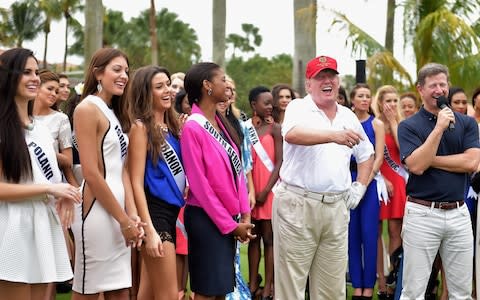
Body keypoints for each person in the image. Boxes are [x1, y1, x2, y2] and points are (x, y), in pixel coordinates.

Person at [272, 55, 374, 299]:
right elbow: (292, 134)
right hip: (298, 204)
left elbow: (366, 155)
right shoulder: (298, 107)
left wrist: (359, 186)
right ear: (309, 84)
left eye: (331, 76)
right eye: (320, 77)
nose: (327, 81)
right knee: (291, 287)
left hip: (337, 208)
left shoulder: (348, 115)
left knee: (332, 289)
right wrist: (333, 135)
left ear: (338, 82)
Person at [0, 47, 81, 300]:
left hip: (42, 222)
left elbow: (51, 180)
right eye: (26, 72)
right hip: (11, 226)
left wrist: (63, 193)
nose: (35, 78)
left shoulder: (42, 130)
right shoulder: (3, 128)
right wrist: (49, 189)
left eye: (36, 72)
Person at [398, 63, 480, 299]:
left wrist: (428, 159)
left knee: (461, 293)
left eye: (443, 84)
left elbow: (471, 163)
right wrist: (439, 128)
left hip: (459, 213)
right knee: (413, 291)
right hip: (422, 214)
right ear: (420, 89)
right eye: (433, 85)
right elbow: (415, 167)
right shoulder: (409, 126)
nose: (439, 89)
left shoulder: (466, 123)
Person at [71, 48, 144, 300]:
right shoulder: (87, 109)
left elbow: (122, 170)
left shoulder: (113, 111)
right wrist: (123, 220)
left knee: (120, 290)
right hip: (97, 214)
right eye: (116, 70)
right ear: (98, 73)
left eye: (126, 70)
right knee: (89, 290)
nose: (124, 75)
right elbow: (91, 173)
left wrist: (131, 215)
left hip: (119, 212)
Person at [180, 62, 255, 300]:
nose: (227, 84)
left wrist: (244, 214)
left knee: (222, 290)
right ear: (207, 86)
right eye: (222, 79)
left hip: (228, 219)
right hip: (205, 218)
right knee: (206, 292)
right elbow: (199, 185)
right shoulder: (193, 127)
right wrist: (231, 225)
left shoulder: (221, 122)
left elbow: (238, 170)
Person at [128, 65, 185, 300]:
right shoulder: (140, 128)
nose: (167, 91)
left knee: (148, 293)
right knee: (169, 295)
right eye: (159, 87)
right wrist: (148, 228)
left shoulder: (173, 128)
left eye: (168, 85)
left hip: (172, 213)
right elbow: (135, 182)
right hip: (154, 214)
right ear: (145, 93)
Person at [349, 83, 385, 299]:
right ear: (352, 100)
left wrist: (364, 183)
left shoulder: (376, 123)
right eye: (360, 96)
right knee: (351, 235)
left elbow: (378, 157)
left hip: (369, 182)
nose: (365, 100)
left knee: (370, 234)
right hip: (348, 180)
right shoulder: (345, 121)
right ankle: (357, 285)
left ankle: (369, 286)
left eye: (367, 96)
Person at [247, 86, 283, 300]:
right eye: (266, 103)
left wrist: (266, 190)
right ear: (253, 105)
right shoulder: (245, 129)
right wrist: (254, 192)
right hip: (251, 192)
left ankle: (268, 286)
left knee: (269, 239)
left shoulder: (275, 129)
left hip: (269, 191)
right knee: (253, 238)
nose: (270, 106)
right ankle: (252, 283)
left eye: (272, 103)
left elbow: (279, 162)